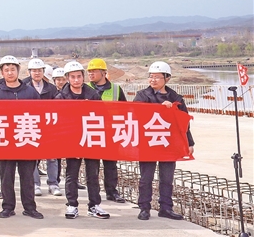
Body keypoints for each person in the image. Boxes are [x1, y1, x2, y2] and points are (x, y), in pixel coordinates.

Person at [133, 61, 193, 221]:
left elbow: (184, 122)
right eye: (151, 77)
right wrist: (160, 107)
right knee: (146, 178)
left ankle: (166, 207)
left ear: (167, 78)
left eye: (157, 77)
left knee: (167, 178)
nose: (153, 80)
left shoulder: (175, 98)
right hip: (148, 143)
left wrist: (189, 142)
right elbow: (136, 114)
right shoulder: (142, 95)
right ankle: (144, 207)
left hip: (168, 143)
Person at [0, 56, 43, 219]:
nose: (10, 73)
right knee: (6, 177)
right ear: (1, 72)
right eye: (6, 70)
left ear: (18, 71)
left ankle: (30, 207)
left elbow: (40, 114)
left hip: (26, 139)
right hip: (5, 141)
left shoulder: (30, 92)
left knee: (27, 177)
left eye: (13, 69)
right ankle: (8, 207)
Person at [56, 61, 108, 219]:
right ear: (67, 78)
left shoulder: (93, 95)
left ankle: (94, 205)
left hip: (91, 138)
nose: (76, 80)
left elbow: (101, 116)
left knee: (93, 174)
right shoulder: (61, 98)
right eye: (72, 77)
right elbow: (59, 121)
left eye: (79, 76)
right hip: (72, 140)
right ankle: (72, 204)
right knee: (71, 174)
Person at [86, 58, 127, 203]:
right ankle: (94, 194)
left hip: (110, 132)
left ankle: (112, 192)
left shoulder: (116, 90)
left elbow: (125, 110)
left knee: (110, 165)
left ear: (103, 73)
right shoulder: (85, 88)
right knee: (92, 167)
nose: (91, 74)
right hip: (92, 132)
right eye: (89, 72)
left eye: (94, 71)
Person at [26, 58, 61, 197]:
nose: (37, 73)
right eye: (34, 70)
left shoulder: (51, 88)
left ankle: (53, 184)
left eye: (39, 70)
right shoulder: (24, 87)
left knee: (52, 157)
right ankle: (35, 184)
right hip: (31, 125)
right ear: (29, 72)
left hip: (48, 126)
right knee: (32, 157)